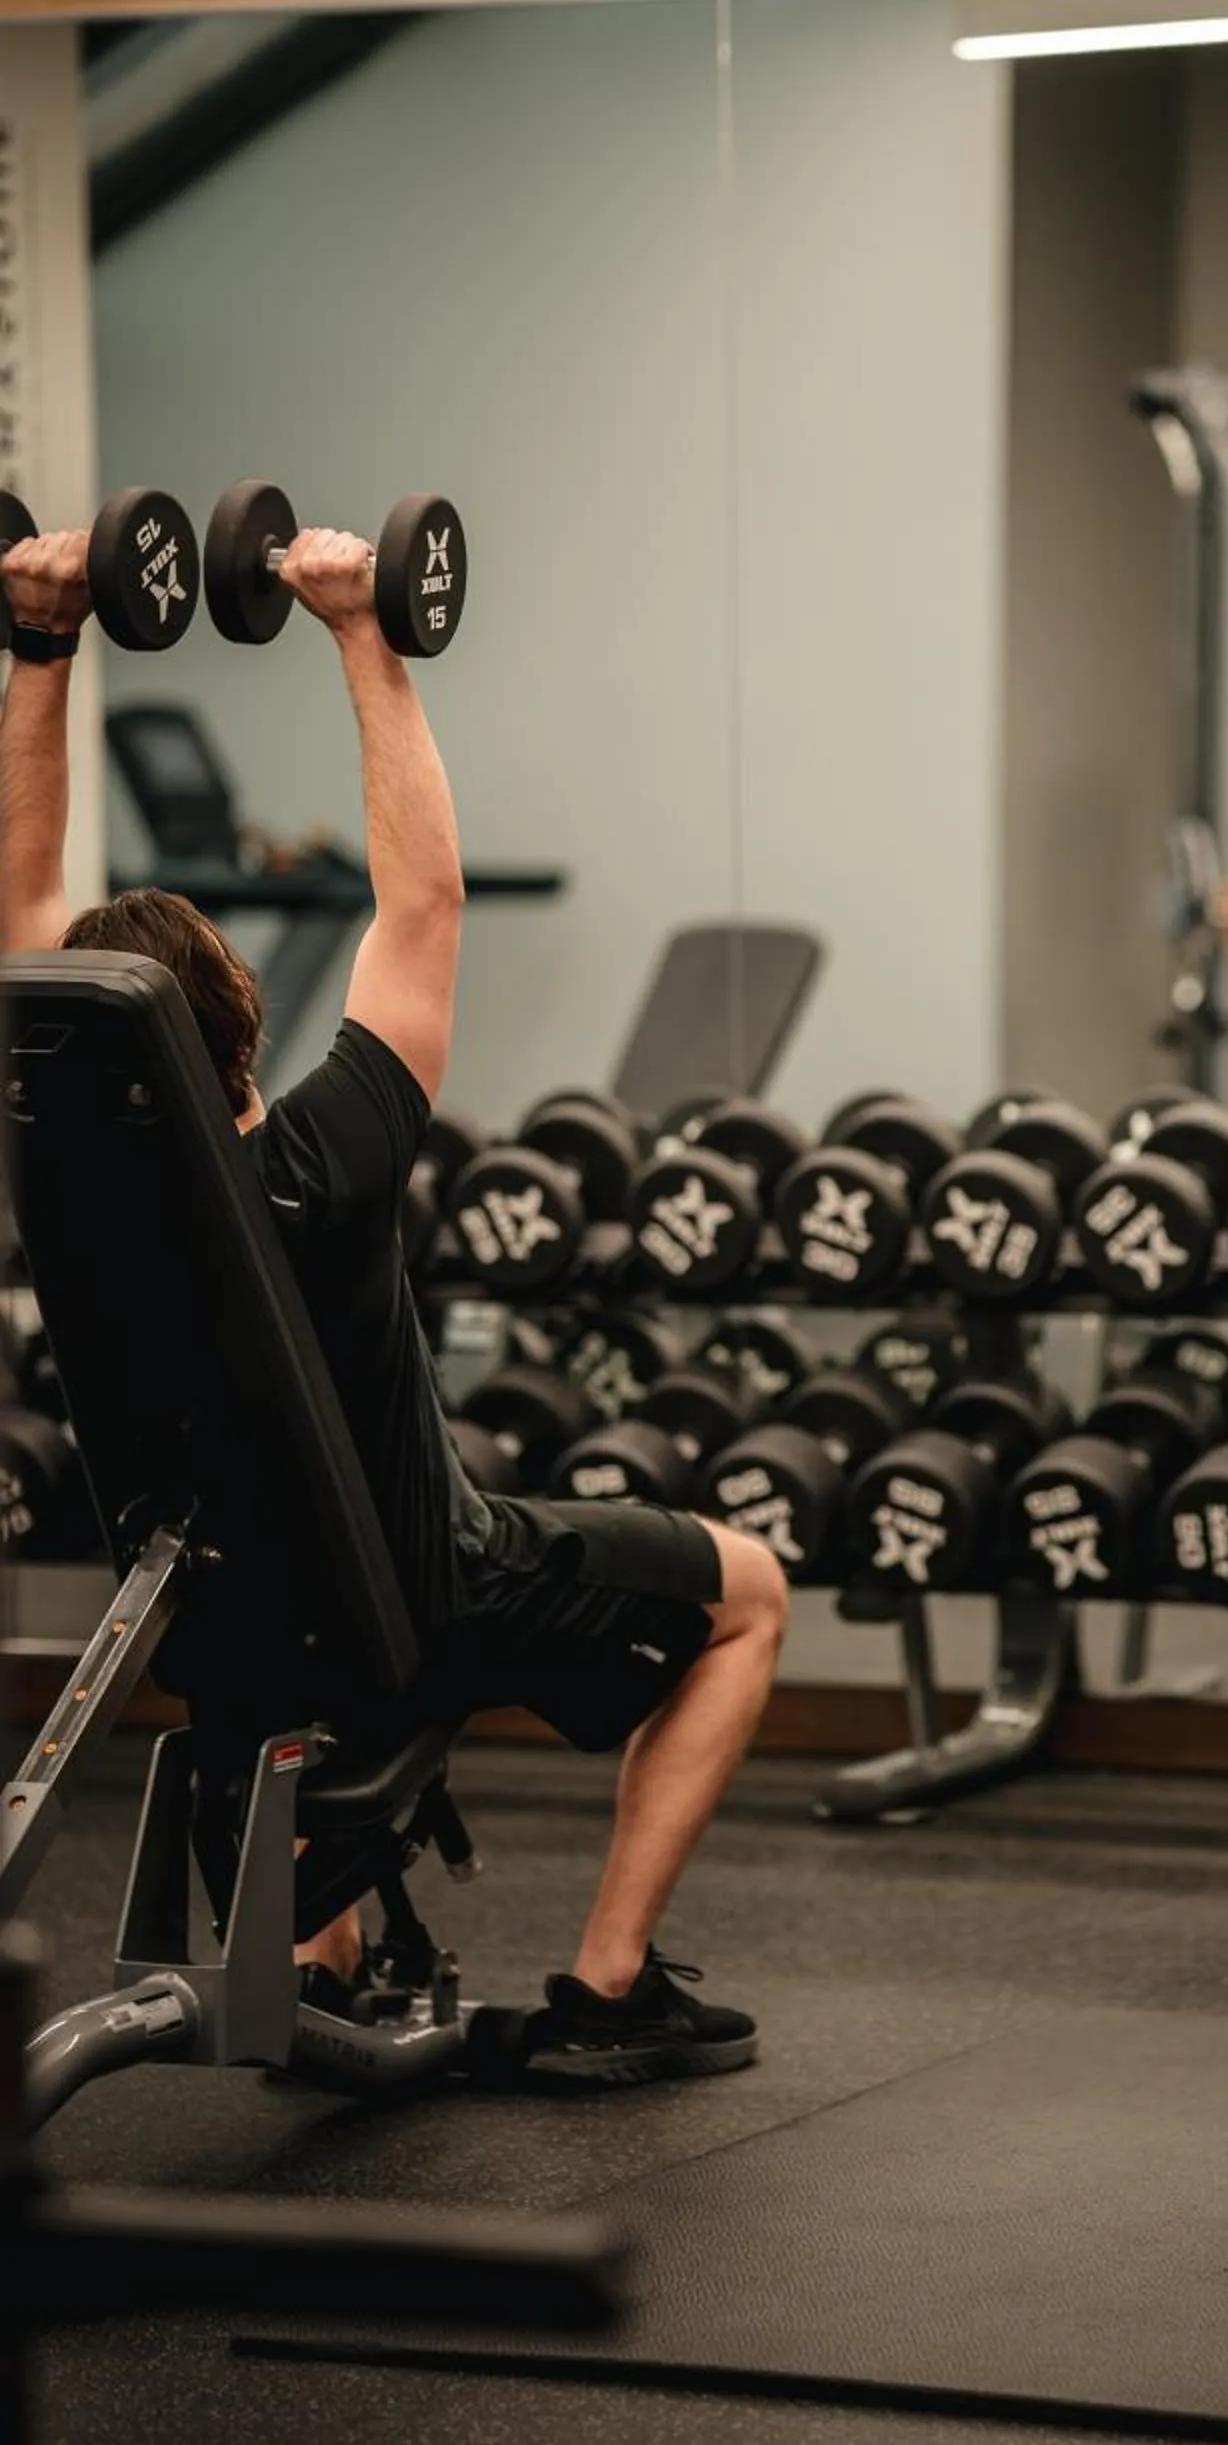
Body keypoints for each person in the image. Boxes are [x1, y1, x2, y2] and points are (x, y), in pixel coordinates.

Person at [0, 513, 786, 2084]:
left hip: (224, 1645)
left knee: (305, 1883)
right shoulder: (320, 1163)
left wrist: (39, 643)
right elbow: (420, 907)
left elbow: (21, 927)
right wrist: (365, 633)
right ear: (239, 1030)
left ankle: (332, 1944)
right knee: (750, 1588)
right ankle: (610, 1988)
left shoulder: (63, 1198)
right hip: (419, 1602)